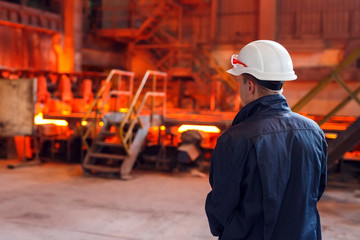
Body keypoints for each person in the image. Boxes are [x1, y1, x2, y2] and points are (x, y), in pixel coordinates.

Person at [205, 40, 327, 240]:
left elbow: (220, 208)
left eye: (239, 83)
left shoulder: (235, 139)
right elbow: (315, 192)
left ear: (250, 86)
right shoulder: (313, 131)